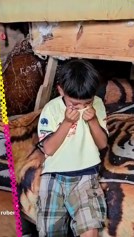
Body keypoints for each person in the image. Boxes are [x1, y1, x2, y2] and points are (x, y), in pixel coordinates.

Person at [36, 59, 108, 237]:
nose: (82, 107)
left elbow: (102, 144)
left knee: (91, 228)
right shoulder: (51, 109)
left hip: (86, 175)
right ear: (60, 90)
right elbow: (49, 149)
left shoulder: (97, 104)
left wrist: (93, 120)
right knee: (49, 230)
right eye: (75, 104)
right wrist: (67, 122)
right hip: (54, 176)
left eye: (87, 102)